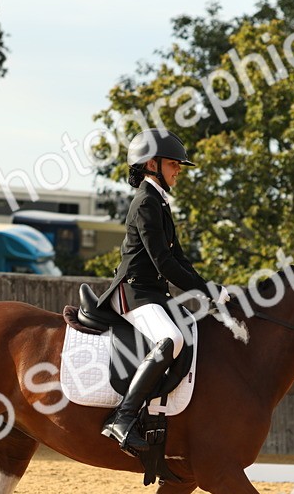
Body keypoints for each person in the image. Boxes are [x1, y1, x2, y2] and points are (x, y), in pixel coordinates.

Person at [95, 128, 229, 453]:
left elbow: (179, 258)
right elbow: (163, 263)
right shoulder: (145, 203)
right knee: (172, 339)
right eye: (173, 164)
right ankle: (122, 418)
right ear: (151, 164)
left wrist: (211, 289)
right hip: (134, 293)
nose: (179, 169)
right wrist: (205, 291)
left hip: (152, 294)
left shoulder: (159, 202)